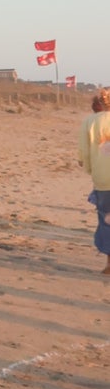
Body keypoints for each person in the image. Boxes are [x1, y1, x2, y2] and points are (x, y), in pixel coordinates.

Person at [76, 90, 110, 276]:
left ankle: (109, 263)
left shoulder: (89, 122)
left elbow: (84, 153)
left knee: (107, 219)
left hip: (103, 179)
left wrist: (90, 168)